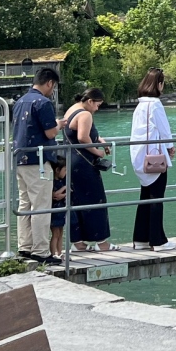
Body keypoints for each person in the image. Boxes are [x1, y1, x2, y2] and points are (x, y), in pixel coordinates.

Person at [12, 67, 61, 263]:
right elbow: (50, 132)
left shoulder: (20, 101)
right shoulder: (43, 103)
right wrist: (59, 124)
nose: (53, 90)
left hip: (20, 158)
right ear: (49, 83)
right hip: (38, 161)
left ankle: (24, 246)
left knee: (25, 204)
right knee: (41, 205)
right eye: (53, 86)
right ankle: (40, 250)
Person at [130, 67, 176, 251]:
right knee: (156, 197)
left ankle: (141, 238)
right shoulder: (155, 104)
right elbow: (164, 129)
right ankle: (158, 240)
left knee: (145, 196)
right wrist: (170, 147)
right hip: (154, 158)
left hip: (140, 156)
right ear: (159, 84)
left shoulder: (140, 105)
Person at [63, 87, 114, 250]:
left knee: (76, 201)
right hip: (84, 163)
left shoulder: (72, 109)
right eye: (97, 105)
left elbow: (75, 134)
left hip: (69, 161)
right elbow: (83, 138)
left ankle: (78, 242)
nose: (97, 109)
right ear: (90, 101)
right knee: (96, 199)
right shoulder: (85, 114)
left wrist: (99, 139)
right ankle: (101, 242)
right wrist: (97, 151)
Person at [48, 153, 68, 259]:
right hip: (54, 210)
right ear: (57, 170)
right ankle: (53, 253)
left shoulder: (62, 180)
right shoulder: (52, 182)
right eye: (65, 170)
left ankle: (60, 252)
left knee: (60, 233)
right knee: (55, 233)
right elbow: (55, 195)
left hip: (61, 210)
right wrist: (64, 188)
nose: (66, 173)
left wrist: (64, 193)